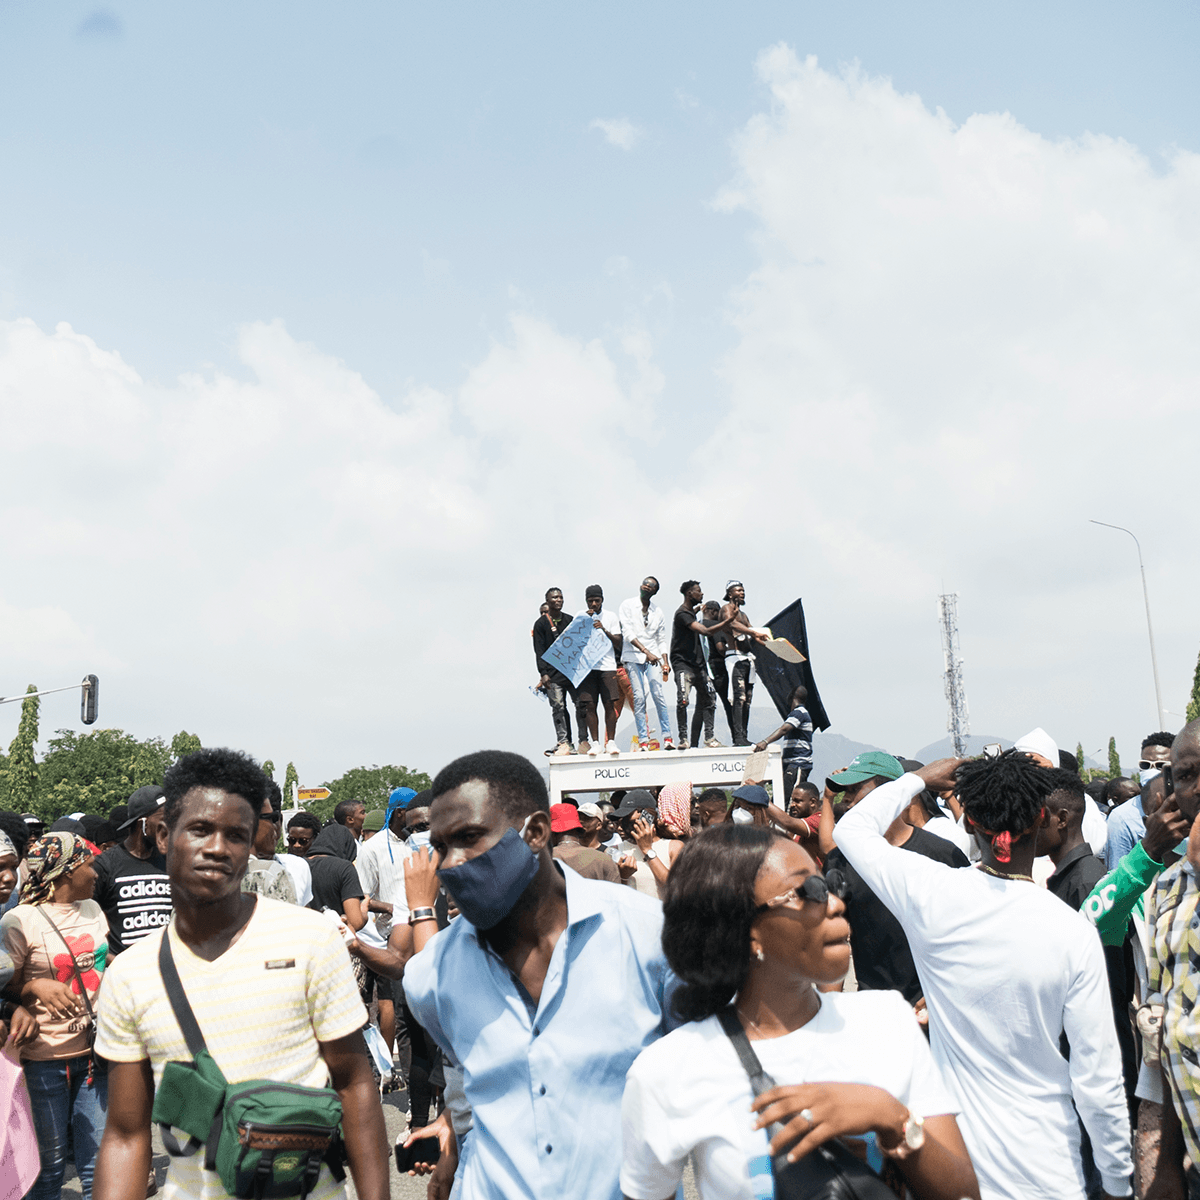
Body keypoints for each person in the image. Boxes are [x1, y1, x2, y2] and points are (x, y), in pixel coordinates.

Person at [620, 823, 979, 1200]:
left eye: (831, 885)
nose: (836, 904)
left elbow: (963, 1194)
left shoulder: (885, 1020)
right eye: (808, 892)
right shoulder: (666, 1071)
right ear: (746, 929)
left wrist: (890, 1117)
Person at [834, 752, 1134, 1200]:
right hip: (1049, 1169)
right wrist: (1116, 1181)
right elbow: (1098, 1077)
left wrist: (920, 779)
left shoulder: (931, 893)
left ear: (970, 821)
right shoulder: (1073, 932)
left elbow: (851, 830)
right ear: (1041, 818)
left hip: (952, 1170)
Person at [92, 746, 388, 1200]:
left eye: (235, 835)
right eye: (200, 829)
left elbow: (354, 1086)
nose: (217, 848)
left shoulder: (309, 939)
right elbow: (126, 1135)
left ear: (250, 844)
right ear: (165, 835)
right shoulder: (130, 974)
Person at [402, 749, 678, 1200]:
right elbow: (475, 1084)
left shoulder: (649, 938)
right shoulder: (431, 975)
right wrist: (452, 1127)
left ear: (535, 833)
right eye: (440, 847)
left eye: (469, 838)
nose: (449, 864)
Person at [1, 832, 110, 1200]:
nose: (96, 873)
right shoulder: (19, 920)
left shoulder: (93, 910)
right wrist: (33, 987)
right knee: (48, 1170)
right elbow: (5, 988)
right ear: (66, 872)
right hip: (43, 1061)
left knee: (99, 1166)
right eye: (89, 865)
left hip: (94, 1055)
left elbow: (100, 962)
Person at [1139, 717, 1200, 1199]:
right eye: (1186, 776)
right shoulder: (1167, 888)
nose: (1198, 788)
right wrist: (1165, 1164)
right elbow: (1165, 1025)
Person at [92, 784, 172, 958]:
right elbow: (87, 924)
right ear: (142, 823)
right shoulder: (105, 865)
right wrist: (115, 963)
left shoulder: (170, 862)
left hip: (164, 966)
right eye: (164, 820)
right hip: (121, 969)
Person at [670, 582, 734, 750]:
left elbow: (692, 615)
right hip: (683, 665)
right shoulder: (682, 614)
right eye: (698, 591)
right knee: (683, 700)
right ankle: (683, 739)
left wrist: (697, 610)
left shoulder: (690, 613)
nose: (702, 593)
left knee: (710, 698)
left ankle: (709, 738)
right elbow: (704, 631)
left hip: (698, 665)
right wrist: (727, 622)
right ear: (689, 593)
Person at [618, 576, 675, 752]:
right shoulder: (627, 605)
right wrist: (646, 652)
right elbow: (627, 633)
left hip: (653, 658)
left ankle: (668, 737)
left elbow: (661, 638)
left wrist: (665, 662)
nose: (646, 587)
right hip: (633, 656)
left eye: (651, 586)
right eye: (645, 583)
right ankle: (643, 740)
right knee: (639, 697)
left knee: (658, 693)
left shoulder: (657, 611)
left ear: (655, 591)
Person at [1040, 770, 1109, 911]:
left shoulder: (1085, 882)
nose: (1029, 827)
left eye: (1039, 817)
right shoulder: (1070, 875)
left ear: (1062, 819)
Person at [1106, 736, 1175, 867]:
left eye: (1161, 765)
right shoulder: (1121, 818)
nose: (1152, 771)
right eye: (1145, 765)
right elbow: (1118, 872)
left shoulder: (1192, 808)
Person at [576, 585, 624, 757]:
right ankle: (595, 743)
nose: (594, 604)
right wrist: (584, 624)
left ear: (602, 600)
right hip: (588, 668)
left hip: (607, 666)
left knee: (609, 704)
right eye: (590, 601)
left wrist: (603, 629)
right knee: (590, 705)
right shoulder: (581, 616)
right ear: (586, 601)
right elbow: (574, 642)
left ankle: (610, 741)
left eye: (597, 600)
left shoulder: (611, 616)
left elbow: (618, 642)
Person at [720, 581, 769, 746]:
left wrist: (769, 643)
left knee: (747, 700)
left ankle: (744, 736)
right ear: (730, 593)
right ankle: (738, 737)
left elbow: (753, 634)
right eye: (739, 590)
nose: (742, 593)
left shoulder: (743, 615)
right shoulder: (726, 609)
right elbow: (731, 623)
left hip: (747, 659)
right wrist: (753, 632)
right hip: (735, 659)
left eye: (743, 590)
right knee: (738, 698)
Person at [533, 587, 577, 756]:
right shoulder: (540, 624)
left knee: (581, 705)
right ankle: (564, 742)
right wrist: (543, 673)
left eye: (560, 597)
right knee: (558, 707)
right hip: (552, 674)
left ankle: (583, 740)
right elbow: (539, 650)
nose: (558, 600)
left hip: (571, 672)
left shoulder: (570, 620)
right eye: (554, 598)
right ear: (547, 600)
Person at [753, 685, 814, 800]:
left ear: (791, 698)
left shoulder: (799, 713)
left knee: (790, 800)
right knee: (780, 799)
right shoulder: (800, 713)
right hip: (791, 765)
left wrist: (765, 742)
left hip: (798, 764)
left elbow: (784, 729)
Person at [306, 824, 367, 930]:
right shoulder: (344, 868)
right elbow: (355, 923)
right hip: (334, 936)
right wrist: (364, 909)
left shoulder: (300, 865)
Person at [550, 803, 621, 882]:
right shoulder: (605, 859)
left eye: (587, 819)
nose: (582, 821)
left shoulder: (546, 858)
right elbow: (617, 889)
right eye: (579, 818)